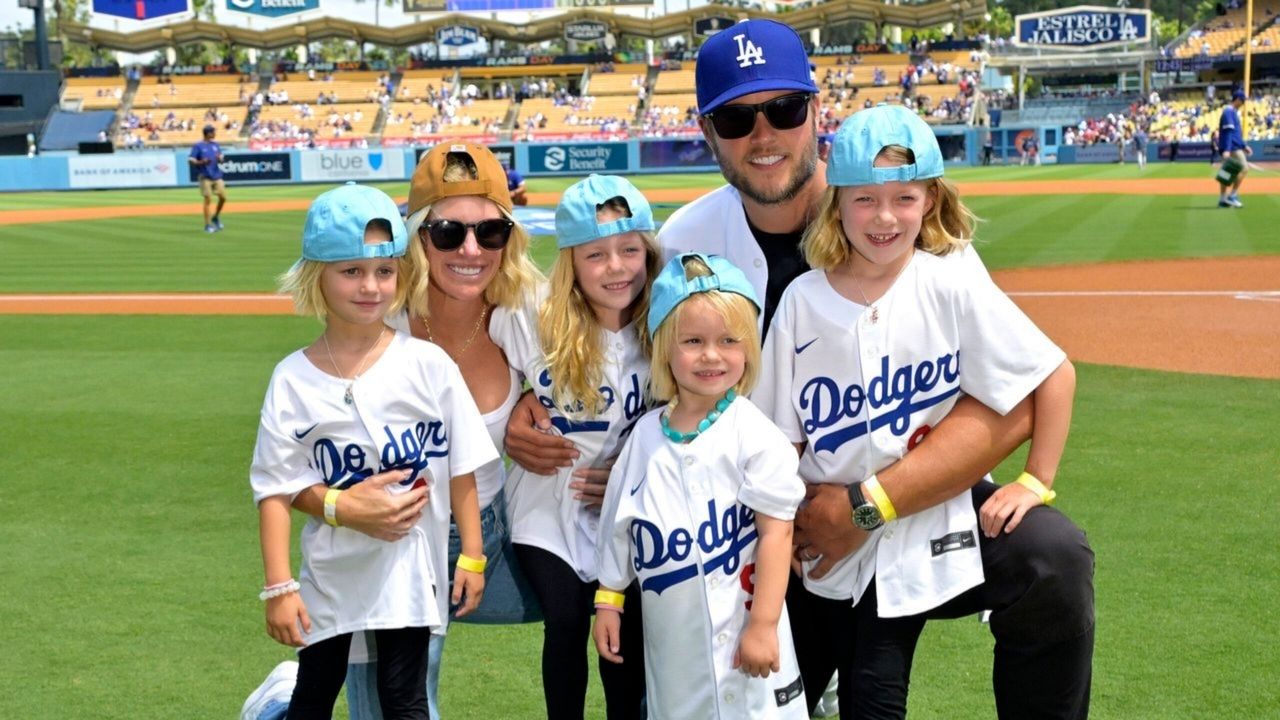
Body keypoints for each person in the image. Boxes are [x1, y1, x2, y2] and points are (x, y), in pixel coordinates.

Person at [575, 18, 1094, 719]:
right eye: (736, 117)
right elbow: (624, 370)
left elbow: (1014, 398)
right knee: (652, 588)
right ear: (706, 131)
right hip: (753, 526)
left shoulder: (905, 224)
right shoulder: (683, 242)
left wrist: (867, 505)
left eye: (783, 109)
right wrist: (526, 406)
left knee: (1051, 558)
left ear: (817, 112)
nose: (763, 135)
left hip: (914, 499)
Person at [755, 105, 1080, 719]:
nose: (884, 218)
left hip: (927, 524)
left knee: (878, 689)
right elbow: (779, 439)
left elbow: (1053, 373)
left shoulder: (948, 278)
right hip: (834, 548)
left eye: (904, 198)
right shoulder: (803, 299)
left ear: (930, 199)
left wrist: (1037, 480)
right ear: (837, 202)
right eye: (865, 200)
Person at [246, 144, 546, 720]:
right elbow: (281, 481)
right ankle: (282, 704)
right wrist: (336, 509)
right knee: (369, 702)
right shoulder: (345, 346)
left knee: (599, 595)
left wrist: (539, 395)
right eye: (448, 231)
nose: (470, 248)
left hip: (476, 534)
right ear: (416, 238)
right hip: (363, 544)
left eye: (490, 232)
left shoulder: (524, 311)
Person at [593, 253, 807, 718]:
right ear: (664, 348)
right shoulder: (646, 437)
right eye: (693, 340)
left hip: (746, 632)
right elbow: (617, 527)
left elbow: (777, 533)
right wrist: (609, 599)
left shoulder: (755, 433)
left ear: (749, 347)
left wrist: (764, 625)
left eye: (729, 340)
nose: (712, 355)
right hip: (675, 644)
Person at [491, 174, 657, 719]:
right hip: (545, 503)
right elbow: (467, 345)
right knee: (565, 620)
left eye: (630, 250)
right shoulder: (534, 315)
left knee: (623, 633)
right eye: (595, 255)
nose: (616, 267)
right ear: (570, 262)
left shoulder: (665, 324)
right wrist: (516, 401)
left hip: (624, 508)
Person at [1217, 89, 1252, 208]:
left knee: (1226, 172)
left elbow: (1235, 133)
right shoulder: (1229, 112)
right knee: (1244, 168)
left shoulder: (1232, 112)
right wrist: (1227, 149)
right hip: (1232, 147)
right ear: (1237, 99)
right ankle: (1232, 195)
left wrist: (1244, 146)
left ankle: (1223, 199)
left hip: (1234, 146)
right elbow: (1228, 132)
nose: (1243, 103)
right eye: (1242, 100)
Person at [189, 125, 227, 233]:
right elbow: (191, 160)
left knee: (223, 198)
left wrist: (220, 159)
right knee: (208, 199)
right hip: (205, 176)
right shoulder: (198, 146)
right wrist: (202, 162)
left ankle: (216, 217)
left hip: (216, 175)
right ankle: (207, 225)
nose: (215, 134)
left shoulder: (215, 145)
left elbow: (221, 159)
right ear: (208, 133)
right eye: (213, 132)